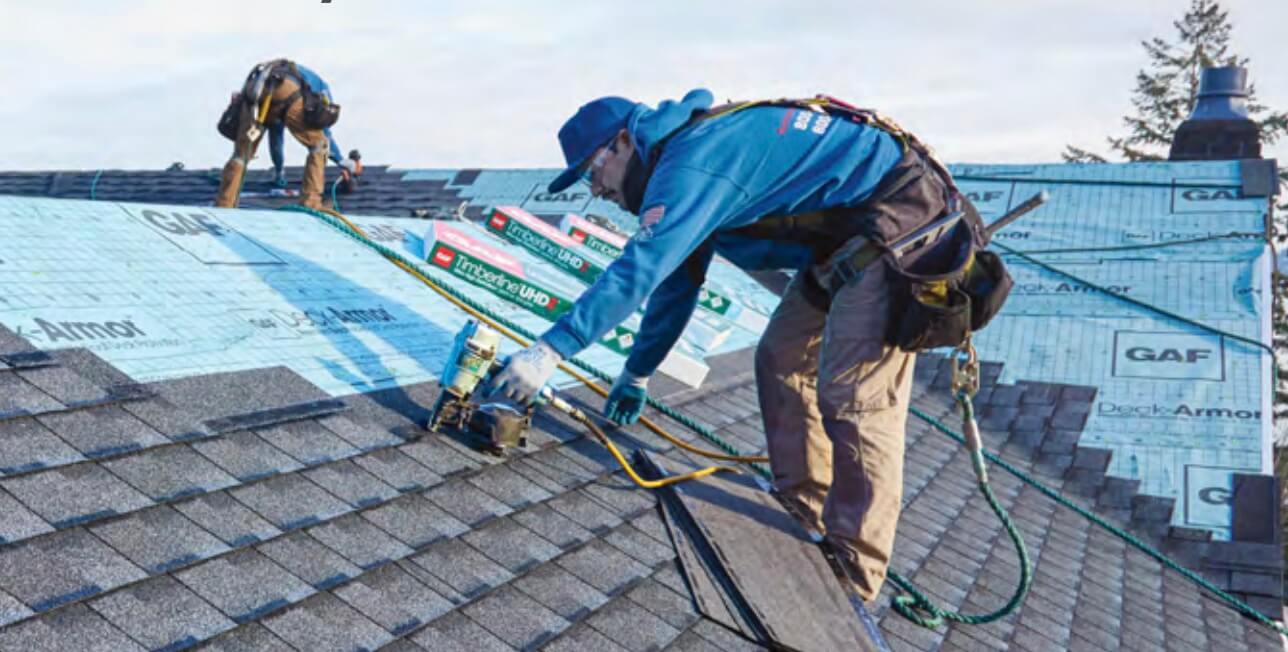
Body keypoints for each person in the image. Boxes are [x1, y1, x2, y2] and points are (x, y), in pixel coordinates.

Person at [487, 88, 979, 601]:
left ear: (624, 143)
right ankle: (800, 500)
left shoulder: (693, 164)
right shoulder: (681, 167)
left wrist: (550, 350)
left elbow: (640, 269)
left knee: (854, 398)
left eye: (593, 173)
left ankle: (854, 573)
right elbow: (676, 281)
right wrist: (637, 374)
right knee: (781, 357)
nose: (597, 191)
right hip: (844, 238)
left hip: (904, 228)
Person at [214, 59, 357, 209]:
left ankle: (225, 204)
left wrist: (279, 171)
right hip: (284, 88)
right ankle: (311, 202)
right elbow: (322, 128)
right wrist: (342, 161)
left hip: (254, 89)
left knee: (241, 155)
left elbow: (276, 136)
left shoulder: (290, 79)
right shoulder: (322, 89)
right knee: (319, 145)